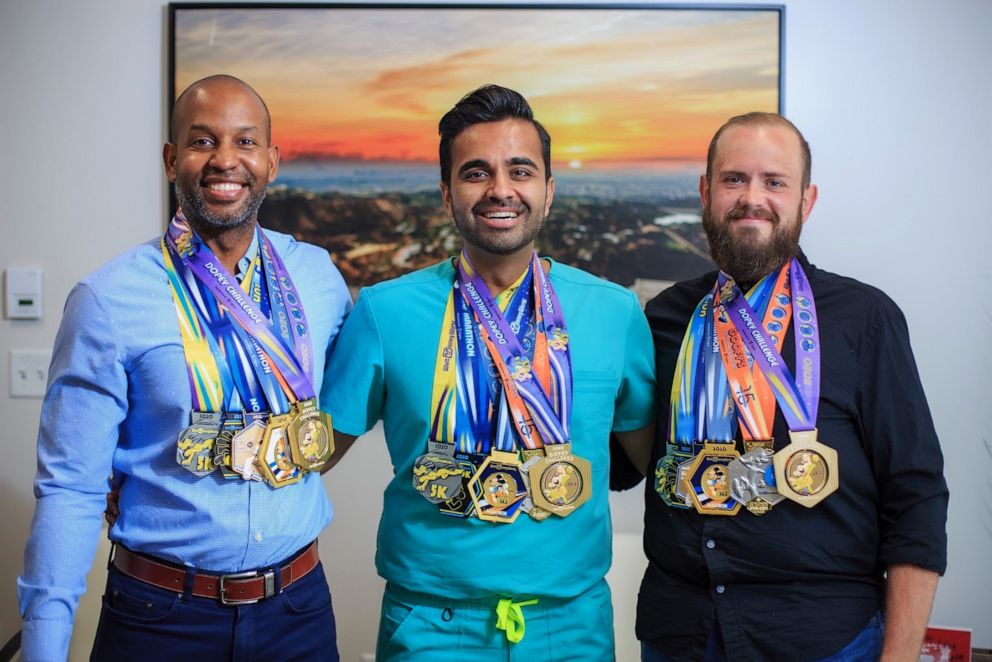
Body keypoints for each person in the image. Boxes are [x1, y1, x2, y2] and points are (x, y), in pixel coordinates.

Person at [17, 75, 351, 661]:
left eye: (245, 142)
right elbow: (70, 487)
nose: (226, 160)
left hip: (298, 610)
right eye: (202, 141)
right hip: (159, 618)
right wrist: (45, 649)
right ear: (172, 160)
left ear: (271, 161)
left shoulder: (319, 278)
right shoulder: (107, 298)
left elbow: (356, 396)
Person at [321, 84, 656, 660]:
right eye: (476, 172)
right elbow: (310, 453)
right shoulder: (382, 312)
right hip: (431, 623)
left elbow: (657, 461)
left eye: (520, 170)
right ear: (447, 194)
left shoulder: (615, 312)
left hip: (570, 625)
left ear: (548, 191)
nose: (500, 189)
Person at [612, 112, 949, 661]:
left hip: (822, 640)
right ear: (705, 191)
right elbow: (626, 465)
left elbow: (916, 496)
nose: (752, 198)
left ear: (806, 201)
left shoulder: (865, 319)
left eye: (774, 182)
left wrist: (900, 655)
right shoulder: (666, 317)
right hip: (681, 636)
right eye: (733, 179)